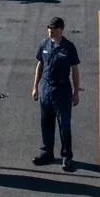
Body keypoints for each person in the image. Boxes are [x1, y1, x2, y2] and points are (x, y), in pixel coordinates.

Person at [32, 18, 81, 172]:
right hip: (46, 89)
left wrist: (76, 91)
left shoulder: (69, 47)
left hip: (62, 91)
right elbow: (40, 65)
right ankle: (47, 153)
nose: (50, 31)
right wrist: (35, 87)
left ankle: (67, 157)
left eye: (53, 29)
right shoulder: (44, 44)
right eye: (49, 28)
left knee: (64, 125)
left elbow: (75, 69)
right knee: (46, 123)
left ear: (61, 29)